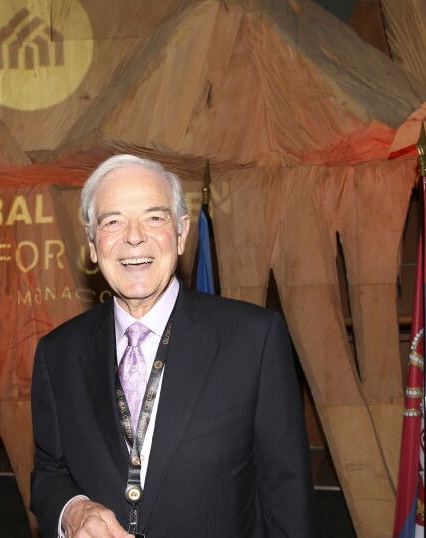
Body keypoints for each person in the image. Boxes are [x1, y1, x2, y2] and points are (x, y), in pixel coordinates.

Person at [30, 154, 314, 537]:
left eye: (154, 216)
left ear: (181, 233)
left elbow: (287, 500)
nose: (134, 236)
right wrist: (75, 511)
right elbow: (50, 471)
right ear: (93, 244)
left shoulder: (254, 340)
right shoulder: (57, 353)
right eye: (112, 221)